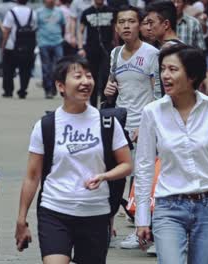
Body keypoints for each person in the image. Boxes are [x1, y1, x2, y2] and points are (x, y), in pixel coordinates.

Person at [14, 55, 132, 264]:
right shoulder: (46, 125)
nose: (85, 82)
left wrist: (104, 176)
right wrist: (21, 220)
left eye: (89, 76)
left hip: (96, 213)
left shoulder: (107, 123)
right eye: (78, 76)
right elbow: (32, 176)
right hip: (55, 211)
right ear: (61, 86)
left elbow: (126, 165)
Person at [135, 44, 208, 264]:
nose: (165, 75)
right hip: (168, 208)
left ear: (192, 75)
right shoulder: (152, 112)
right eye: (163, 69)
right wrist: (142, 217)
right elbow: (144, 167)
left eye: (173, 70)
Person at [103, 5, 159, 249]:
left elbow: (159, 93)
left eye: (131, 21)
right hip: (119, 125)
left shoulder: (152, 54)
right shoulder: (115, 53)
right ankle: (108, 226)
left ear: (140, 25)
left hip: (143, 126)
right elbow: (112, 84)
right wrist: (108, 89)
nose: (126, 26)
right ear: (116, 27)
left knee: (143, 180)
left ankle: (145, 232)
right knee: (116, 180)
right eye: (121, 22)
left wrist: (148, 125)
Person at [77, 0, 116, 107]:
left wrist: (117, 46)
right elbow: (80, 31)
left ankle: (104, 104)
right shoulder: (87, 12)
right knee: (92, 77)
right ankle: (93, 105)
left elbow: (115, 30)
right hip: (91, 50)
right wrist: (80, 47)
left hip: (107, 49)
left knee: (105, 76)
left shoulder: (111, 11)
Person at [1, 0, 37, 99]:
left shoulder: (11, 12)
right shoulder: (32, 13)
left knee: (8, 69)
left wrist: (3, 45)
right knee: (25, 69)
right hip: (27, 47)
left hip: (11, 46)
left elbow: (6, 31)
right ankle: (23, 89)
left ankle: (8, 90)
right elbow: (34, 29)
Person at [37, 0, 66, 99]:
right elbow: (35, 27)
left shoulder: (59, 12)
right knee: (46, 67)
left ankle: (55, 86)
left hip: (57, 42)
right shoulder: (39, 12)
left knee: (59, 66)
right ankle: (48, 89)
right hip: (43, 42)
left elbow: (63, 26)